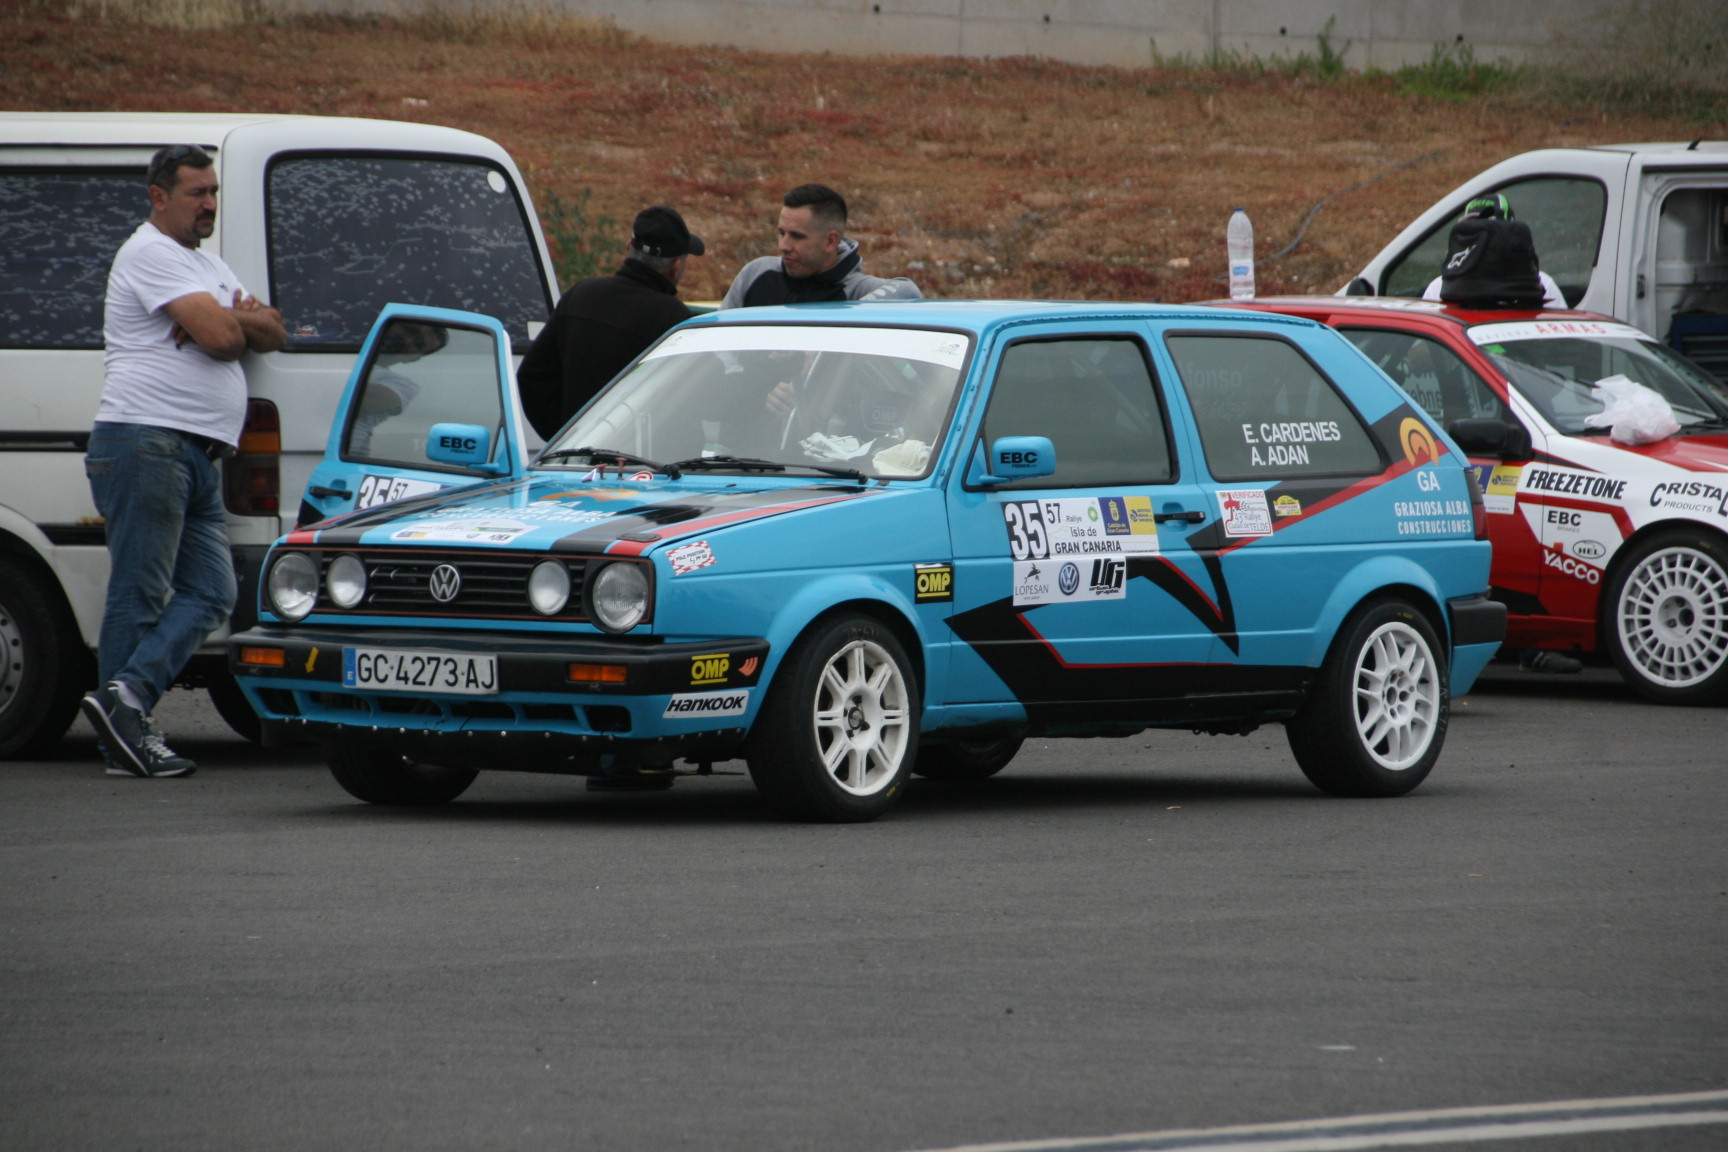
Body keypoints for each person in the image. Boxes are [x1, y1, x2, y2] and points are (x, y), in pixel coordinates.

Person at [80, 144, 287, 777]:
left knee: (214, 591)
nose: (209, 204)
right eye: (197, 192)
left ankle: (125, 698)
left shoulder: (208, 266)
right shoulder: (150, 253)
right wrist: (230, 319)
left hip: (194, 454)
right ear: (159, 196)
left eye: (214, 192)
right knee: (139, 593)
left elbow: (274, 331)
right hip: (146, 442)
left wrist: (218, 317)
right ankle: (123, 736)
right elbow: (226, 339)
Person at [517, 206, 704, 439]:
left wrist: (565, 438)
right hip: (641, 457)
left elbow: (532, 377)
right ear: (676, 266)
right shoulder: (674, 321)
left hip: (576, 455)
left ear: (629, 246)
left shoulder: (580, 295)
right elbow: (694, 399)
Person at [720, 184, 921, 308]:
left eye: (797, 236)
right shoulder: (757, 273)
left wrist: (847, 319)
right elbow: (717, 341)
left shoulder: (855, 291)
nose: (783, 246)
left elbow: (907, 290)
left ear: (830, 241)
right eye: (781, 233)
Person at [1422, 194, 1565, 309]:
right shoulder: (1439, 287)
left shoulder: (1541, 283)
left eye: (1488, 227)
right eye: (1472, 226)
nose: (1479, 236)